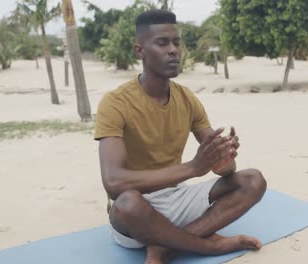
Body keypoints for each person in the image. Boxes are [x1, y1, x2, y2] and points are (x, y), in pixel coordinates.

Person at [94, 10, 266, 264]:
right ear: (139, 51)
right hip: (137, 214)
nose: (173, 50)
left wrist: (223, 156)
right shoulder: (115, 102)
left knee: (253, 180)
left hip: (178, 198)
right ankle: (211, 247)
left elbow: (225, 169)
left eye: (176, 42)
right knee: (127, 202)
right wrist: (194, 168)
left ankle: (165, 248)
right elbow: (114, 182)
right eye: (162, 43)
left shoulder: (187, 98)